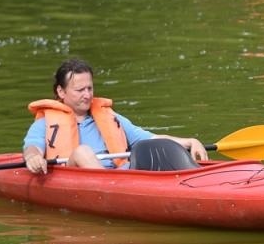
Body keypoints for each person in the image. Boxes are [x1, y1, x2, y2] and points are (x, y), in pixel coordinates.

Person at [22, 59, 208, 174]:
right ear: (61, 92)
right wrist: (33, 158)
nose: (87, 95)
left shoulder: (109, 117)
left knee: (150, 150)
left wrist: (189, 141)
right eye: (80, 90)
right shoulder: (46, 123)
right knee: (82, 152)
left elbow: (150, 138)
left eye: (89, 88)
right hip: (75, 176)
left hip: (120, 176)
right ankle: (114, 190)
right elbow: (32, 148)